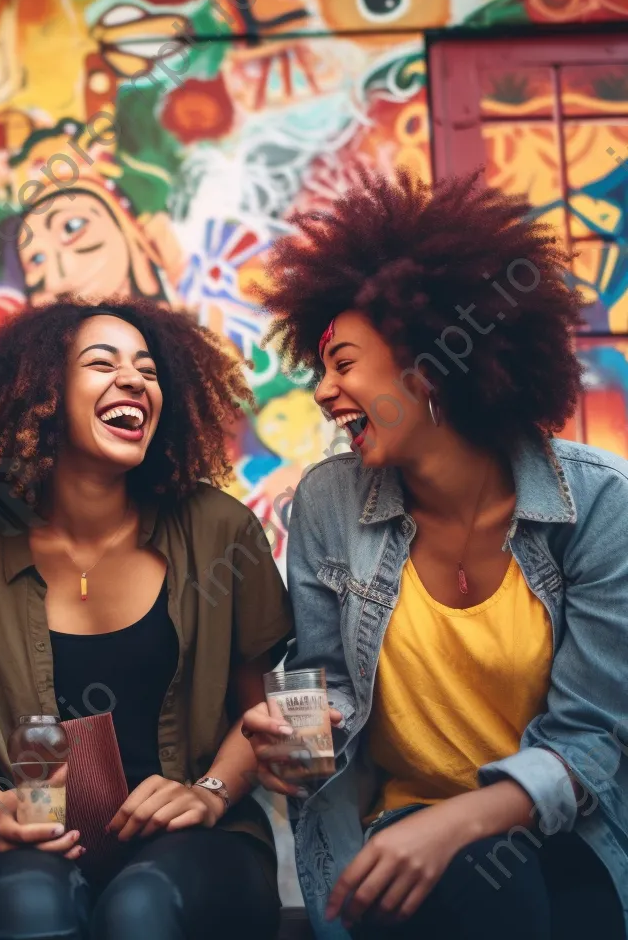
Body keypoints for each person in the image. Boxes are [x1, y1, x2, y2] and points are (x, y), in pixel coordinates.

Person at [240, 171, 627, 939]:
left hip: (565, 833)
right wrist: (299, 740)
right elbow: (333, 686)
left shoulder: (599, 505)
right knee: (481, 892)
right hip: (397, 839)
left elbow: (594, 739)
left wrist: (464, 821)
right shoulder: (326, 505)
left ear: (427, 365)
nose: (322, 392)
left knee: (511, 882)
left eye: (343, 364)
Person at [0, 297, 291, 940]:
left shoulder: (218, 530)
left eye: (147, 369)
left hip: (200, 841)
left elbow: (258, 718)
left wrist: (207, 793)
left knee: (139, 910)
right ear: (40, 395)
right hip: (40, 842)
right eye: (101, 362)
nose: (134, 380)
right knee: (28, 909)